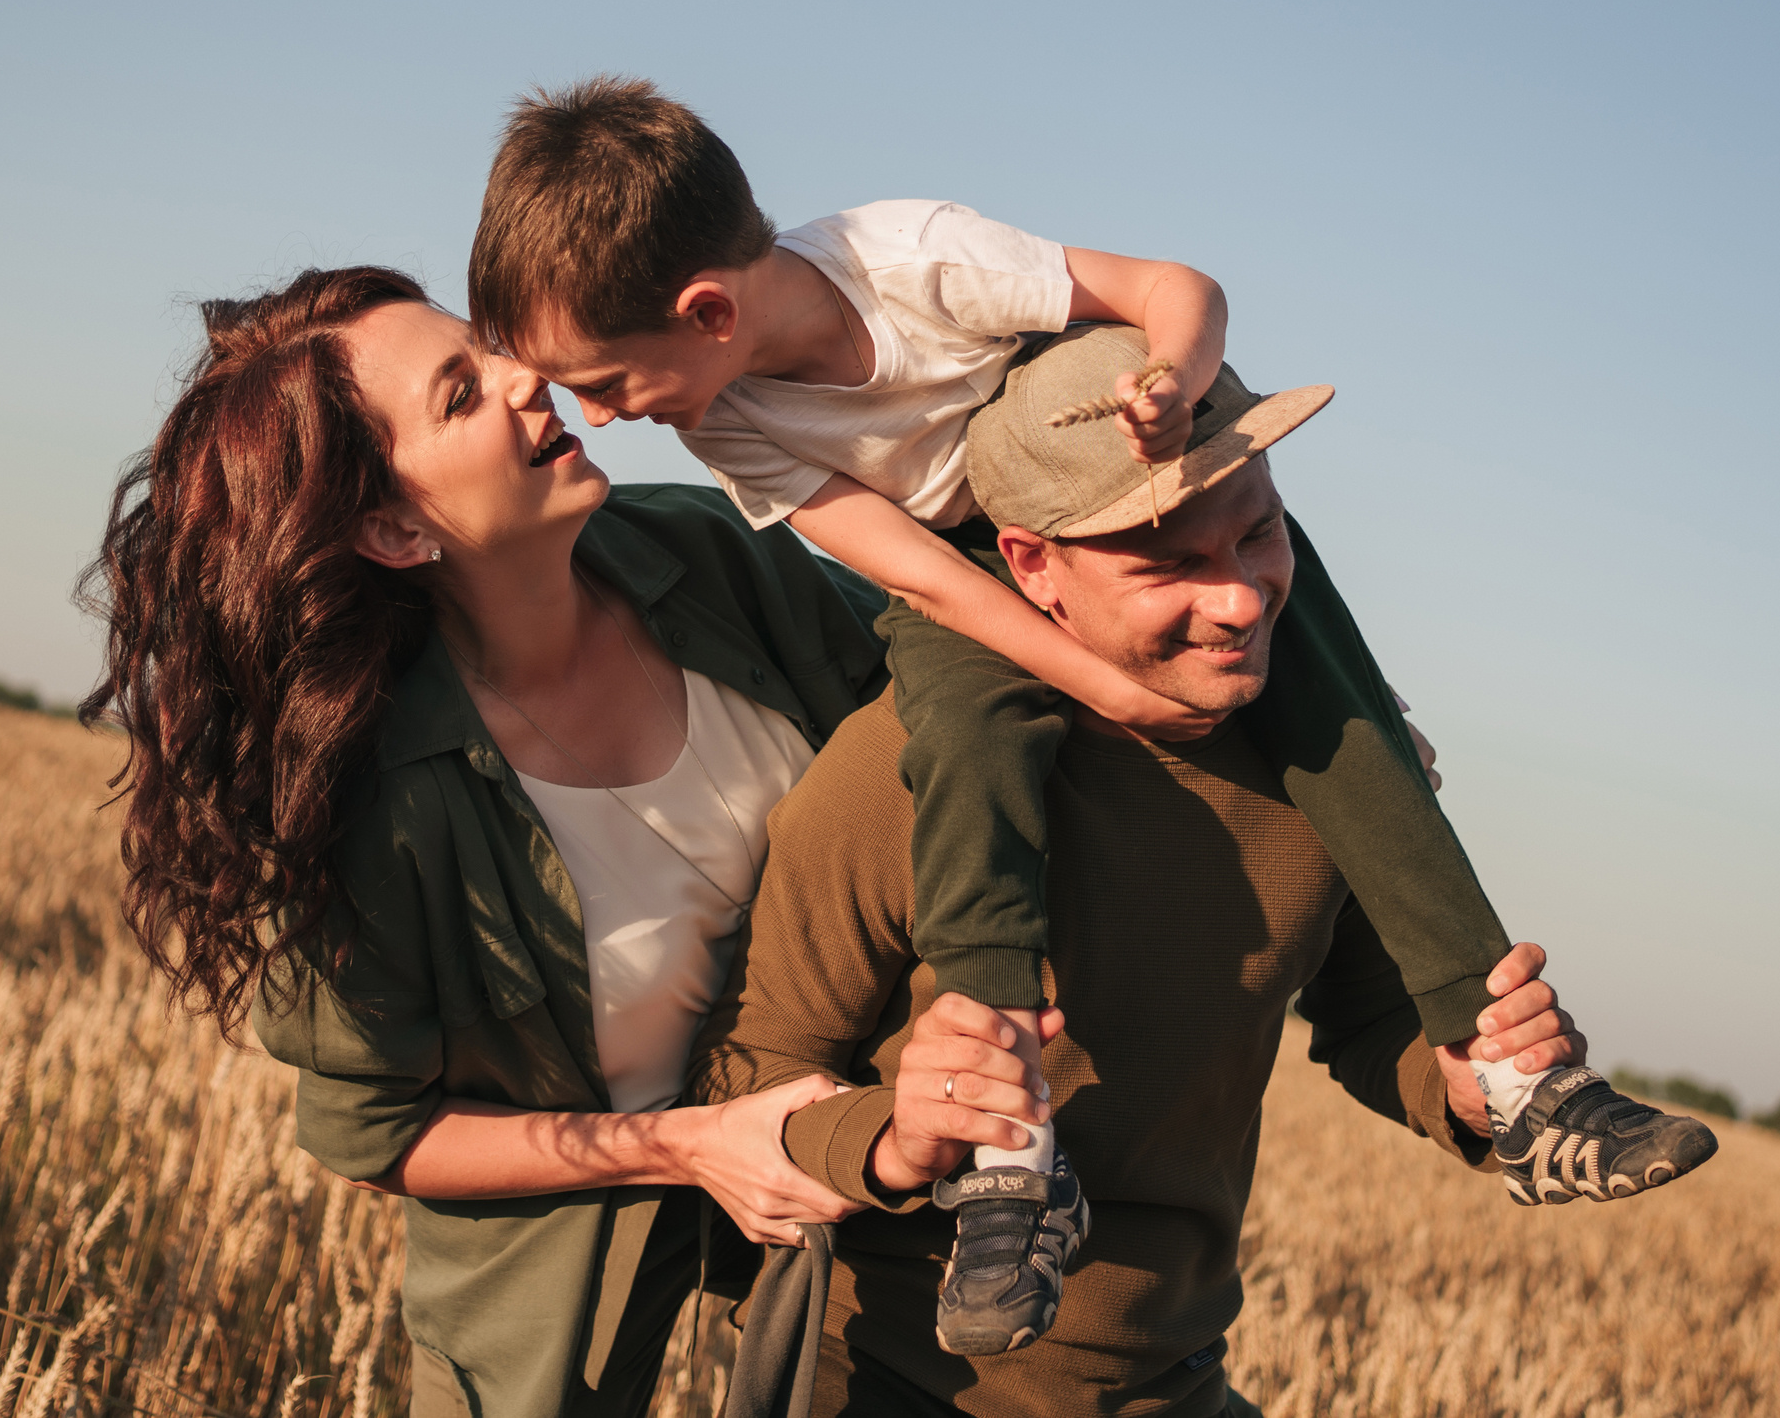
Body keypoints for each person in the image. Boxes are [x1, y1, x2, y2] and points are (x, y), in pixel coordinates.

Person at [465, 79, 1710, 1356]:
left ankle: (1524, 1082)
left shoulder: (916, 260)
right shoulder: (734, 426)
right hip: (981, 584)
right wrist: (1098, 683)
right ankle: (1007, 1147)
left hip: (1126, 470)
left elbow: (1169, 287)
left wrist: (1180, 379)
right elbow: (926, 576)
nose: (599, 418)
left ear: (707, 312)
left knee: (1356, 740)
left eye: (605, 382)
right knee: (965, 753)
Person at [684, 324, 1719, 1415]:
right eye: (1169, 564)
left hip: (1168, 1384)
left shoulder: (1325, 770)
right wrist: (899, 1139)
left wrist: (1460, 1084)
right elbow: (744, 1079)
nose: (1237, 599)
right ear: (1031, 565)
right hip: (890, 1381)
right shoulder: (900, 771)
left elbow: (1373, 1019)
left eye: (1259, 536)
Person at [77, 266, 894, 1418]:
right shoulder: (375, 803)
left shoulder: (712, 554)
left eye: (491, 350)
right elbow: (381, 1131)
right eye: (463, 395)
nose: (528, 379)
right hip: (571, 1278)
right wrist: (690, 1147)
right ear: (393, 527)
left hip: (875, 1190)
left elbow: (925, 720)